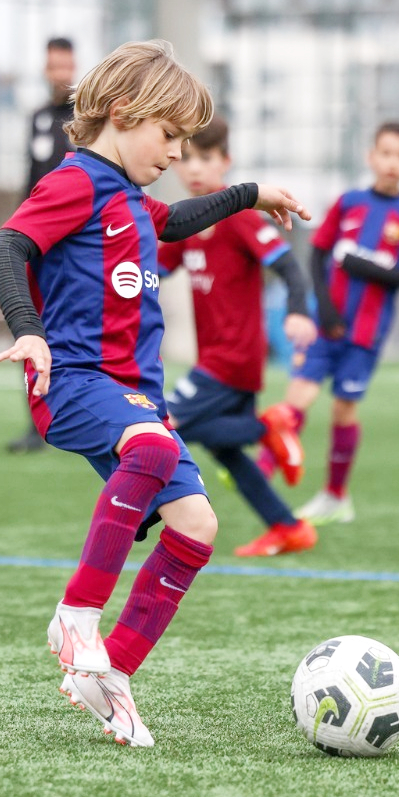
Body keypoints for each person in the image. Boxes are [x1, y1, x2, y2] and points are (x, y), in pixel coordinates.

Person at [0, 40, 310, 746]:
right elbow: (3, 249)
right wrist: (29, 331)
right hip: (74, 379)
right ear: (125, 114)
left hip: (134, 392)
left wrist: (251, 193)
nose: (174, 154)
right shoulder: (73, 182)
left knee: (197, 524)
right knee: (156, 449)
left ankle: (111, 675)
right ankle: (75, 617)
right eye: (169, 136)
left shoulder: (129, 197)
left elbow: (175, 220)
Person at [156, 116, 320, 558]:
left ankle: (266, 427)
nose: (193, 168)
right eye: (186, 157)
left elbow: (289, 267)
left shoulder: (240, 218)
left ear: (225, 162)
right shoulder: (186, 225)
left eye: (205, 158)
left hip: (233, 359)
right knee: (224, 447)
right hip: (217, 360)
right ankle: (288, 527)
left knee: (161, 423)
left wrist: (299, 313)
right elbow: (147, 273)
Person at [259, 121, 399, 525]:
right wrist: (326, 307)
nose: (392, 162)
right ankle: (258, 473)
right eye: (385, 153)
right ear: (372, 157)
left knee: (342, 410)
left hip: (366, 334)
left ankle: (335, 495)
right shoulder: (349, 202)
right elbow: (318, 255)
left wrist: (365, 267)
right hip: (325, 324)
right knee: (296, 399)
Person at [6, 36, 77, 454]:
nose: (60, 74)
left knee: (74, 328)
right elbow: (30, 177)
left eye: (66, 66)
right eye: (53, 67)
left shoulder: (88, 117)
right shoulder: (36, 118)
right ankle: (37, 425)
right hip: (39, 240)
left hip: (74, 242)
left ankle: (75, 418)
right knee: (31, 327)